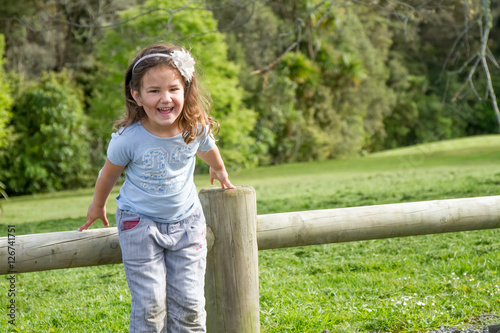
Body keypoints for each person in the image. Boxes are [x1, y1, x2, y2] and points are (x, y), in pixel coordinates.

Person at [78, 43, 234, 333]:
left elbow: (207, 146)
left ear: (185, 90)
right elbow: (108, 175)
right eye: (154, 91)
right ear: (136, 96)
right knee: (150, 305)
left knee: (189, 305)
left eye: (174, 89)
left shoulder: (194, 128)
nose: (166, 98)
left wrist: (218, 168)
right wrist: (97, 205)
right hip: (140, 223)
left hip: (187, 223)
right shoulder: (128, 139)